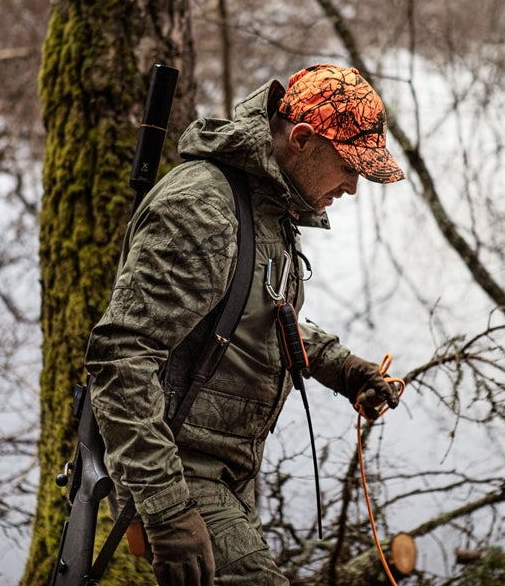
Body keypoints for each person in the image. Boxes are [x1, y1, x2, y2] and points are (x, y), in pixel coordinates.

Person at [85, 63, 406, 586]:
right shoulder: (203, 208)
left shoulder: (269, 206)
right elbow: (121, 357)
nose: (352, 187)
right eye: (349, 167)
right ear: (302, 139)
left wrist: (343, 369)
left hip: (229, 472)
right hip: (181, 469)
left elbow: (259, 317)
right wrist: (168, 508)